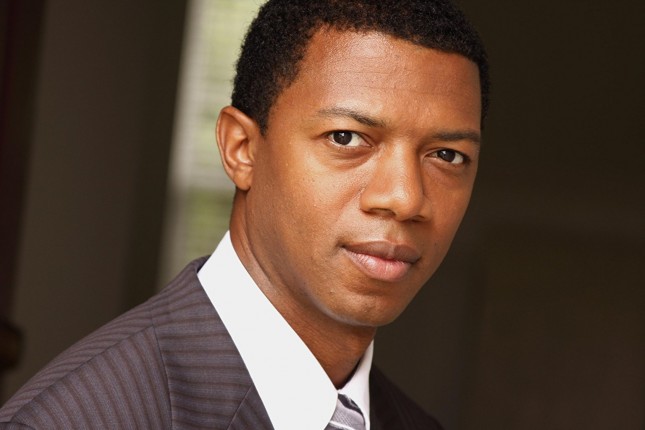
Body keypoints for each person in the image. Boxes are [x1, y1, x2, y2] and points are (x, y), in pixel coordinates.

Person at [0, 0, 488, 428]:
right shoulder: (75, 419)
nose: (405, 198)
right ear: (241, 149)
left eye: (447, 155)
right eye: (346, 138)